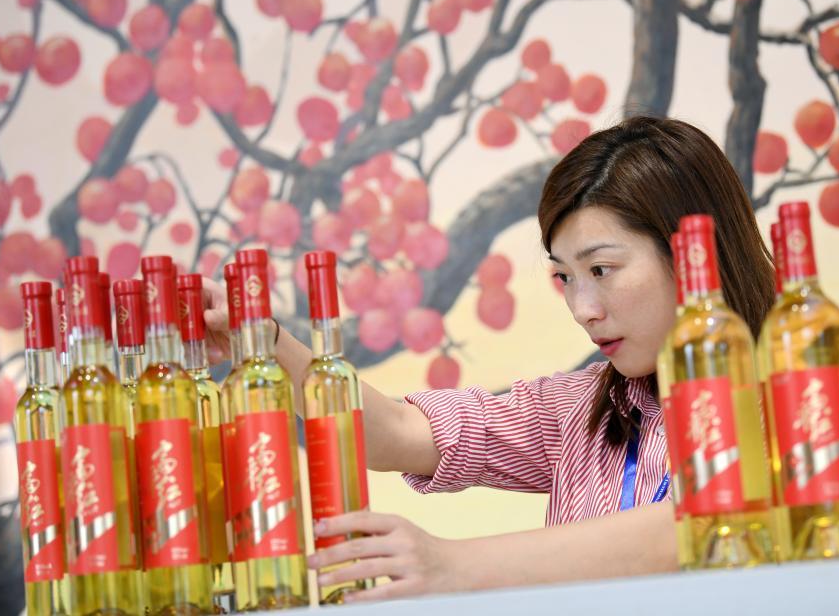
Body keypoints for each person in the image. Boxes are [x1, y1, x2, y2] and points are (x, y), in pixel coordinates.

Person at [201, 116, 775, 602]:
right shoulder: (577, 410)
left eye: (601, 269)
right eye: (565, 278)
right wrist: (265, 339)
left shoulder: (790, 387)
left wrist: (452, 565)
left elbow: (702, 523)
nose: (583, 309)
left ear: (692, 250)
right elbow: (396, 431)